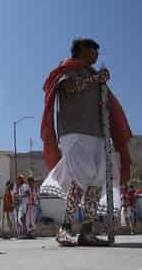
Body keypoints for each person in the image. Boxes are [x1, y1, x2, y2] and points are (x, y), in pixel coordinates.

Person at [40, 38, 132, 246]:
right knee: (81, 176)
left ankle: (87, 232)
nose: (97, 54)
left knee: (96, 181)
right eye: (93, 49)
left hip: (98, 134)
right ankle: (65, 229)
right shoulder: (68, 70)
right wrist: (96, 79)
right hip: (75, 132)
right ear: (81, 49)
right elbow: (71, 88)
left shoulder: (93, 75)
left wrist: (99, 81)